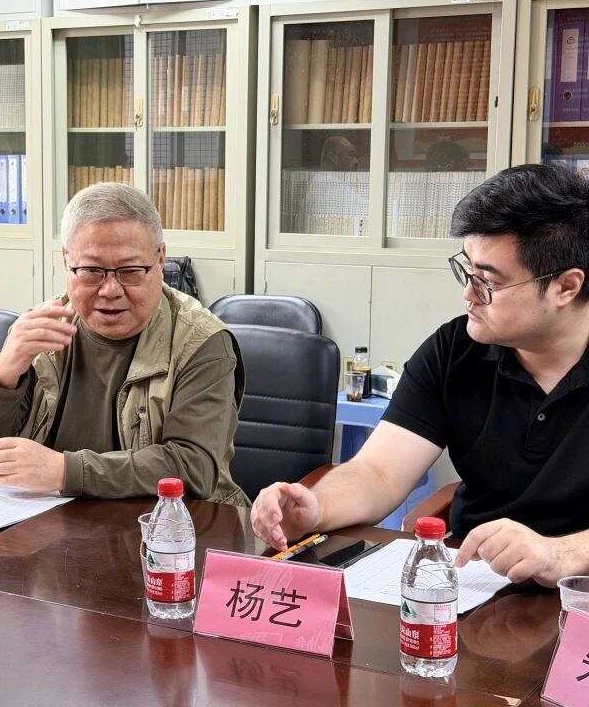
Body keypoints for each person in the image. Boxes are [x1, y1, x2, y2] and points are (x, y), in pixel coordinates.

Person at [251, 163, 589, 587]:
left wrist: (563, 554)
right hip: (471, 585)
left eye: (487, 282)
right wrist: (316, 507)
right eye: (467, 271)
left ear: (566, 287)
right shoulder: (455, 350)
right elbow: (380, 473)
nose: (468, 294)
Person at [0, 182, 248, 504]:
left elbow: (192, 467)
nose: (110, 290)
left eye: (130, 271)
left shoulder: (201, 343)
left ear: (160, 259)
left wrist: (66, 471)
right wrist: (4, 369)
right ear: (66, 260)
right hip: (51, 518)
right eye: (91, 271)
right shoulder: (46, 325)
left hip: (168, 525)